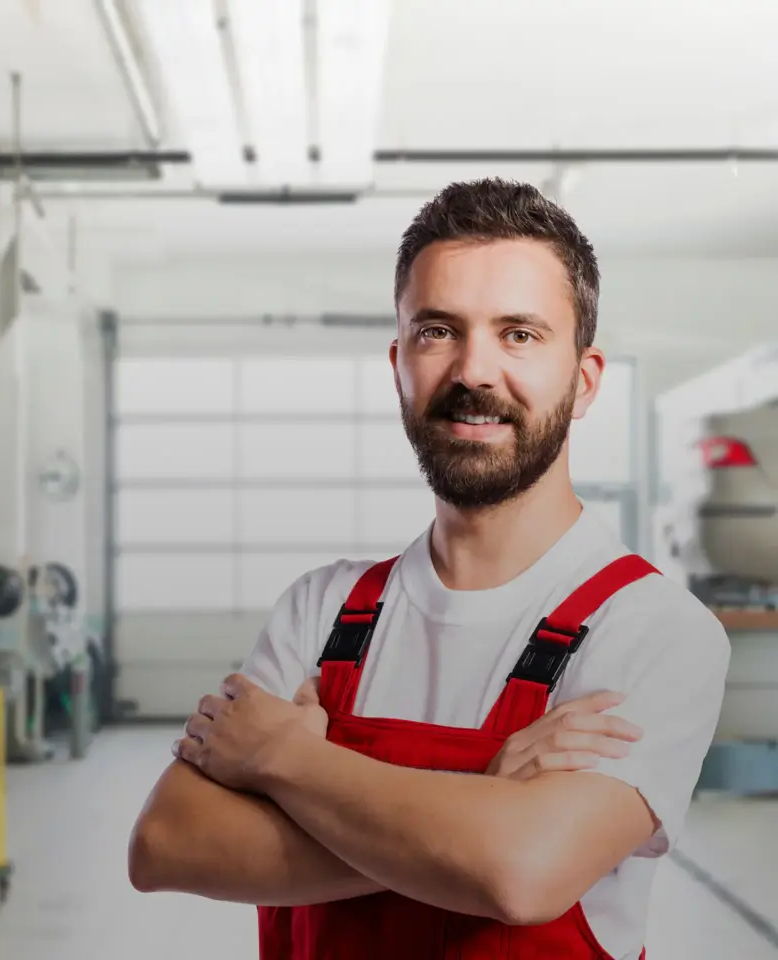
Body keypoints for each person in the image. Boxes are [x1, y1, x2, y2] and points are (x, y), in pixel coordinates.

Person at [128, 178, 731, 960]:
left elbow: (518, 874)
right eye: (439, 330)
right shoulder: (323, 610)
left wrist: (285, 759)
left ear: (583, 382)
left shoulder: (655, 630)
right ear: (399, 364)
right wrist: (485, 801)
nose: (474, 371)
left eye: (519, 334)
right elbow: (167, 844)